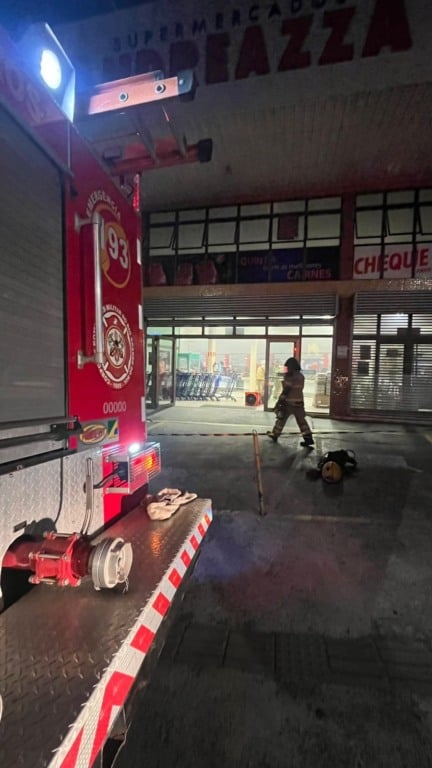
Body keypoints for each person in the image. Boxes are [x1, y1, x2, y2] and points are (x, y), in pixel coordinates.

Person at [266, 357, 314, 448]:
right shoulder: (301, 376)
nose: (286, 369)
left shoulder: (290, 377)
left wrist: (279, 402)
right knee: (302, 422)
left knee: (281, 419)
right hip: (299, 403)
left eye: (287, 367)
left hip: (289, 403)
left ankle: (275, 434)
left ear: (290, 367)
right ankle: (308, 439)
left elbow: (286, 391)